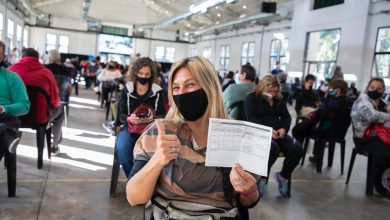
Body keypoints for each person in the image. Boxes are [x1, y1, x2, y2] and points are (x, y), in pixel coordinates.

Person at [126, 57, 260, 219]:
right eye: (176, 87)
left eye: (190, 84)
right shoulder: (162, 132)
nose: (181, 93)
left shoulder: (235, 134)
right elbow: (134, 198)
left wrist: (248, 190)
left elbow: (248, 202)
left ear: (209, 86)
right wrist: (158, 160)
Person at [244, 74, 302, 198]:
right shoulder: (252, 98)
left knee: (297, 148)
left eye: (275, 91)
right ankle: (262, 179)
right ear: (262, 87)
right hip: (259, 134)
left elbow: (286, 117)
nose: (273, 93)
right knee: (272, 149)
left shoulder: (279, 100)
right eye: (270, 91)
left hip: (278, 133)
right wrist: (267, 131)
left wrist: (284, 129)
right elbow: (251, 118)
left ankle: (283, 177)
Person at [116, 57, 166, 178]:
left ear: (151, 74)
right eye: (141, 73)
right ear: (135, 73)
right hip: (130, 127)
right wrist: (129, 118)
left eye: (147, 74)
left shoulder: (158, 91)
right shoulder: (127, 89)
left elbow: (162, 115)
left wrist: (151, 119)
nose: (143, 76)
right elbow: (120, 114)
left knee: (160, 152)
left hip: (151, 129)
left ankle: (149, 182)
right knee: (122, 148)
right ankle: (135, 181)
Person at [9, 48, 61, 155]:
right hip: (39, 117)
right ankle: (54, 146)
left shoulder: (10, 70)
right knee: (60, 111)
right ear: (38, 59)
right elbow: (55, 100)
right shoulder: (47, 73)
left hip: (14, 116)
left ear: (21, 58)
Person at [292, 79, 353, 163]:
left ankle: (296, 155)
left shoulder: (334, 102)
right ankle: (316, 157)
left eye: (331, 88)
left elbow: (320, 112)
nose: (329, 89)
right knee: (315, 124)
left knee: (297, 129)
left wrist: (312, 114)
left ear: (337, 90)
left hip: (325, 130)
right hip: (339, 132)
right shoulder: (350, 101)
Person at [351, 77, 390, 198]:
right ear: (368, 87)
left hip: (378, 136)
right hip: (363, 139)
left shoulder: (382, 102)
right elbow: (372, 116)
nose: (375, 90)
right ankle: (376, 183)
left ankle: (382, 178)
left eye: (379, 88)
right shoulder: (363, 100)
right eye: (372, 87)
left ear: (383, 90)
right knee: (385, 152)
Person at [0, 40, 29, 159]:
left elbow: (24, 106)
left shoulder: (12, 77)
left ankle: (6, 133)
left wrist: (4, 108)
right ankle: (8, 135)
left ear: (3, 57)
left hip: (4, 115)